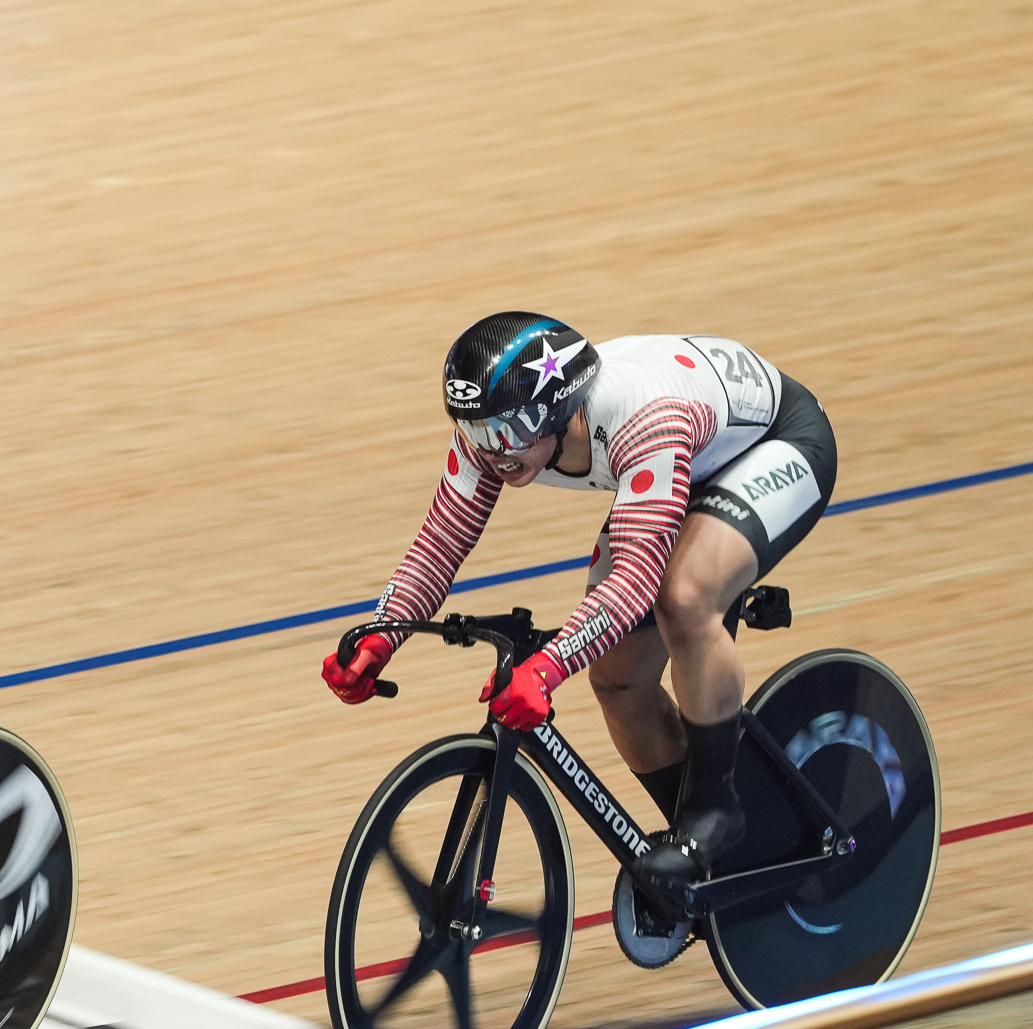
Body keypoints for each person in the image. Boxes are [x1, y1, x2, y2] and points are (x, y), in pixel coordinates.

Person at [322, 312, 837, 899]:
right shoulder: (494, 436)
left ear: (559, 410)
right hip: (680, 465)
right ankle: (724, 865)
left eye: (507, 430)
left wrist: (544, 669)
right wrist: (381, 635)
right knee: (616, 679)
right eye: (474, 430)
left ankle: (716, 815)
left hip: (777, 443)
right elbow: (442, 540)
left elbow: (638, 579)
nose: (493, 451)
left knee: (684, 599)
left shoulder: (642, 419)